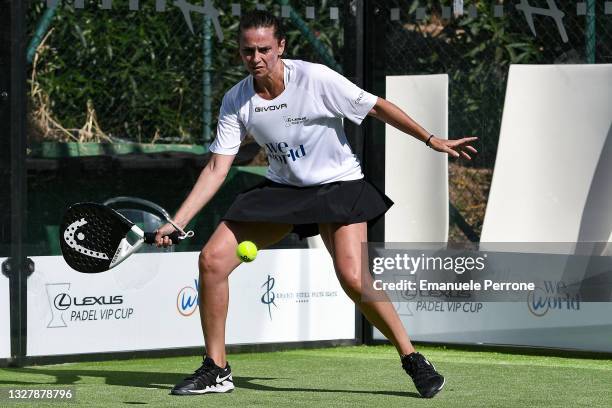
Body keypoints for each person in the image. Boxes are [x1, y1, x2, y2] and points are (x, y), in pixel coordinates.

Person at [155, 10, 477, 399]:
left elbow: (376, 106)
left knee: (353, 277)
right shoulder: (237, 100)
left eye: (264, 49)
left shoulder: (316, 79)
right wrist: (178, 221)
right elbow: (216, 167)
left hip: (338, 185)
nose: (255, 58)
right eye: (246, 51)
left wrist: (431, 140)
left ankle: (412, 359)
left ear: (281, 47)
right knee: (211, 260)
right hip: (284, 191)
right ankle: (217, 368)